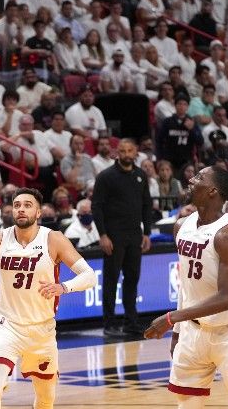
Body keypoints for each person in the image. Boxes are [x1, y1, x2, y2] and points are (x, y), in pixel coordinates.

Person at [144, 166, 228, 408]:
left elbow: (226, 298)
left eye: (199, 177)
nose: (191, 179)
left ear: (213, 190)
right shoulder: (181, 226)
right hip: (193, 332)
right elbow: (186, 286)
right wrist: (179, 331)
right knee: (187, 401)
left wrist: (172, 318)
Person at [0, 188, 96, 409]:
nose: (21, 209)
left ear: (38, 213)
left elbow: (89, 276)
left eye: (27, 205)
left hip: (42, 330)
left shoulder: (53, 239)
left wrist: (63, 287)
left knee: (45, 401)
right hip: (7, 326)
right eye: (17, 205)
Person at [92, 139, 152, 337]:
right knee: (111, 279)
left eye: (130, 150)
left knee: (132, 279)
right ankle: (109, 323)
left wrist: (147, 233)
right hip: (113, 236)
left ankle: (131, 322)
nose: (127, 154)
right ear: (117, 153)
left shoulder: (141, 175)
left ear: (136, 152)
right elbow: (96, 207)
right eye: (123, 151)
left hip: (135, 234)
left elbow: (146, 205)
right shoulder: (106, 176)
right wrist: (102, 235)